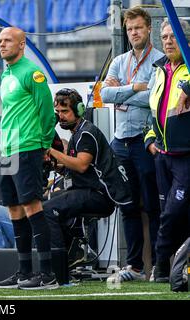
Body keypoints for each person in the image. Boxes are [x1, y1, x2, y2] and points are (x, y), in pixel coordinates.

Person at [44, 88, 132, 285]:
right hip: (87, 191)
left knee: (48, 210)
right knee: (45, 204)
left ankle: (57, 272)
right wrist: (55, 165)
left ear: (79, 109)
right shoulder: (77, 133)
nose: (61, 117)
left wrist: (52, 151)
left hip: (100, 196)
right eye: (57, 112)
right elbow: (74, 170)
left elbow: (82, 165)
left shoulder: (86, 132)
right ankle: (69, 258)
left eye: (65, 111)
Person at [100, 7, 163, 282]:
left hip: (145, 140)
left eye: (138, 27)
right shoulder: (119, 60)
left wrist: (123, 91)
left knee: (152, 204)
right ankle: (135, 267)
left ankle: (160, 265)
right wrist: (135, 88)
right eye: (129, 29)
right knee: (127, 206)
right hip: (120, 142)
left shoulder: (160, 60)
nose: (133, 33)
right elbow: (105, 93)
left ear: (149, 29)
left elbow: (153, 98)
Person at [0, 26, 56, 290]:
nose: (2, 44)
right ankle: (24, 271)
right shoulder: (6, 73)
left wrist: (43, 145)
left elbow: (47, 112)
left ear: (21, 44)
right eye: (0, 41)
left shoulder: (33, 73)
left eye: (8, 40)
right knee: (13, 208)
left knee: (32, 206)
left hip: (27, 147)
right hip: (7, 150)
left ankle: (48, 274)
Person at [145, 18, 190, 283]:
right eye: (164, 37)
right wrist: (149, 140)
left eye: (174, 36)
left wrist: (187, 88)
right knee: (166, 214)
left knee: (174, 211)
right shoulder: (160, 68)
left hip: (185, 155)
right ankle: (165, 267)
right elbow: (153, 112)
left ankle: (163, 263)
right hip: (162, 155)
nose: (169, 41)